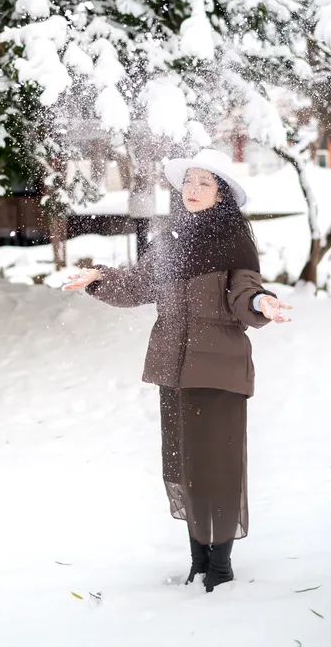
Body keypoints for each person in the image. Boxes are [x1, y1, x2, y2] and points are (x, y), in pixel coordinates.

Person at [63, 148, 292, 592]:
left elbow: (244, 292)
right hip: (173, 368)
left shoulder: (234, 242)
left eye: (204, 183)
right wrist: (98, 279)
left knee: (218, 468)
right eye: (188, 182)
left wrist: (262, 303)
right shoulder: (171, 241)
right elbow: (138, 284)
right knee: (185, 465)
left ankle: (220, 566)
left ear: (221, 193)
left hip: (218, 371)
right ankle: (198, 560)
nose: (192, 190)